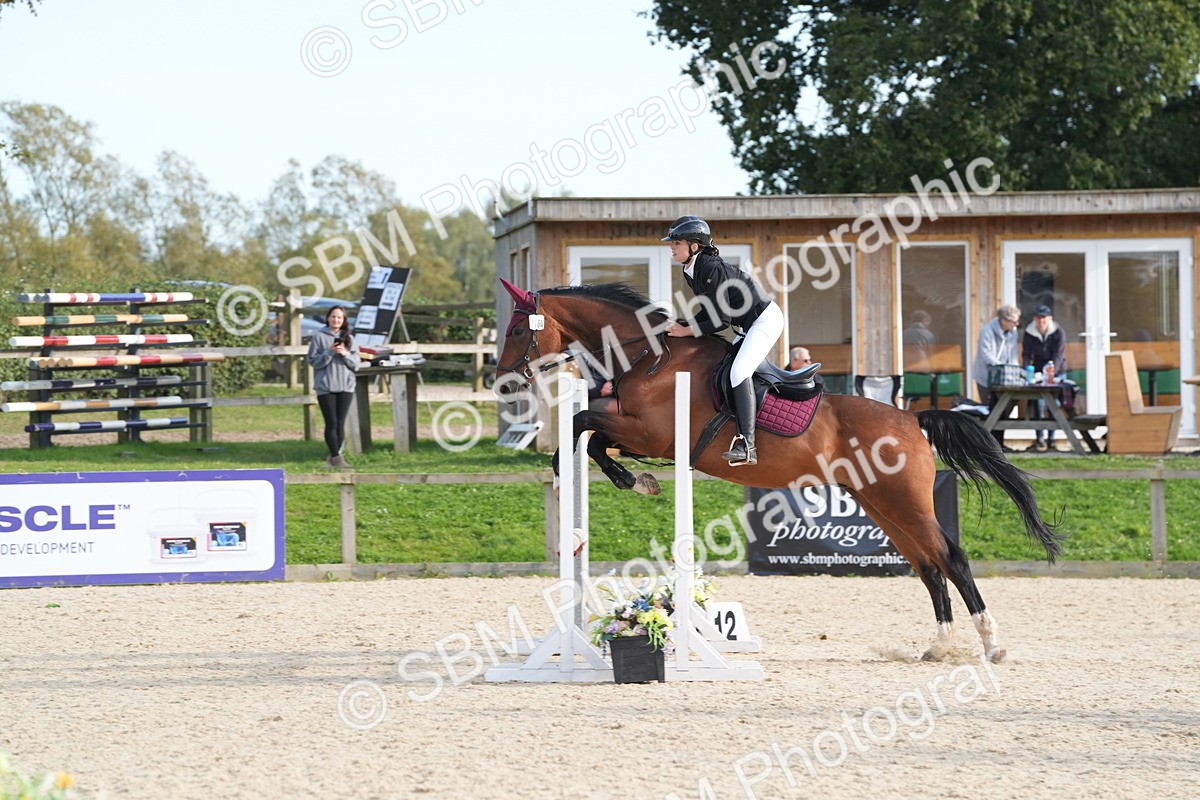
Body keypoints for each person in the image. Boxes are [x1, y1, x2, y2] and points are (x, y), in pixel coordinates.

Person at [663, 215, 786, 466]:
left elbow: (720, 322)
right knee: (723, 368)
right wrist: (682, 324)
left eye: (676, 243)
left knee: (739, 371)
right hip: (747, 324)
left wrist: (685, 331)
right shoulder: (692, 269)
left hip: (764, 320)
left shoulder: (710, 268)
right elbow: (707, 311)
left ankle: (747, 444)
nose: (671, 247)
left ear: (694, 246)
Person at [307, 306, 361, 468]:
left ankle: (334, 458)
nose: (336, 320)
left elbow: (356, 365)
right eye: (333, 317)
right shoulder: (318, 337)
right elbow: (313, 361)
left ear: (344, 320)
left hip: (346, 386)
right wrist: (329, 353)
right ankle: (337, 458)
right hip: (326, 386)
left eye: (339, 318)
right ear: (328, 318)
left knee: (340, 423)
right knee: (330, 423)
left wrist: (345, 354)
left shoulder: (350, 338)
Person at [972, 305, 1021, 451]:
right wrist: (1001, 367)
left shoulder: (1013, 332)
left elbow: (1012, 355)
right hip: (986, 377)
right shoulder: (987, 330)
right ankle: (989, 445)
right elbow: (986, 354)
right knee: (992, 411)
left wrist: (1014, 371)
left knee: (1005, 409)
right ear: (1003, 320)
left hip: (1004, 377)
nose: (1016, 325)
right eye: (1013, 321)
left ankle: (1000, 443)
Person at [1023, 304, 1067, 451]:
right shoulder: (1029, 332)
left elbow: (1059, 355)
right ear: (1034, 319)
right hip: (1037, 372)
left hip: (1057, 371)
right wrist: (1027, 370)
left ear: (1050, 318)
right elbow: (1027, 353)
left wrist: (1052, 371)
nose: (1041, 321)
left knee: (1054, 404)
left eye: (1044, 317)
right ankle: (1039, 438)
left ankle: (1051, 439)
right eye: (1038, 317)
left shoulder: (1058, 332)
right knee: (1038, 404)